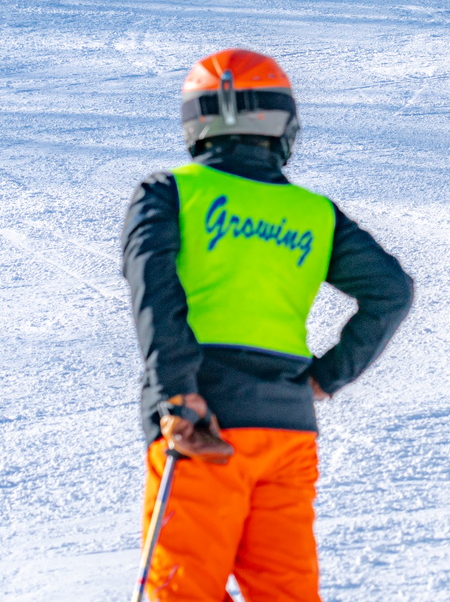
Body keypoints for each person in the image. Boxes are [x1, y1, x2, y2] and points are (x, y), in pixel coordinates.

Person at [121, 49, 415, 601]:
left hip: (201, 422)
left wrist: (178, 395)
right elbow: (391, 291)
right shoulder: (314, 214)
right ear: (283, 124)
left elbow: (156, 297)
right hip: (287, 429)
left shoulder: (169, 194)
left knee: (184, 589)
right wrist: (327, 376)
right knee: (284, 592)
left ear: (197, 123)